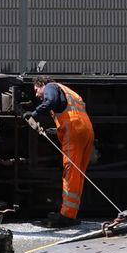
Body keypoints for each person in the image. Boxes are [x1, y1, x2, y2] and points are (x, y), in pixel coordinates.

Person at [26, 76, 95, 227]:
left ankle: (66, 216)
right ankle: (71, 213)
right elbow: (67, 111)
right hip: (86, 129)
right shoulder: (69, 92)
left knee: (70, 171)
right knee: (78, 173)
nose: (37, 94)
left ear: (42, 84)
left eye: (37, 90)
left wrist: (34, 114)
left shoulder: (51, 87)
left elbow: (50, 101)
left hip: (74, 130)